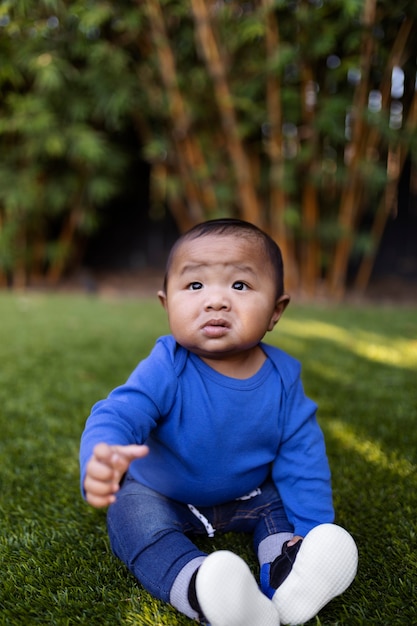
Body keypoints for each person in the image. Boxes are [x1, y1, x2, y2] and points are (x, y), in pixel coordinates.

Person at [80, 218, 358, 626]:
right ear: (166, 303)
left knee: (278, 505)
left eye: (240, 286)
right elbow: (119, 412)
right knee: (132, 515)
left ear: (276, 311)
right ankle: (201, 588)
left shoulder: (283, 378)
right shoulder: (167, 364)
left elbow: (303, 454)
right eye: (195, 286)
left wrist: (313, 527)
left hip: (249, 494)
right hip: (162, 493)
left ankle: (291, 571)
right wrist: (102, 454)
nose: (216, 301)